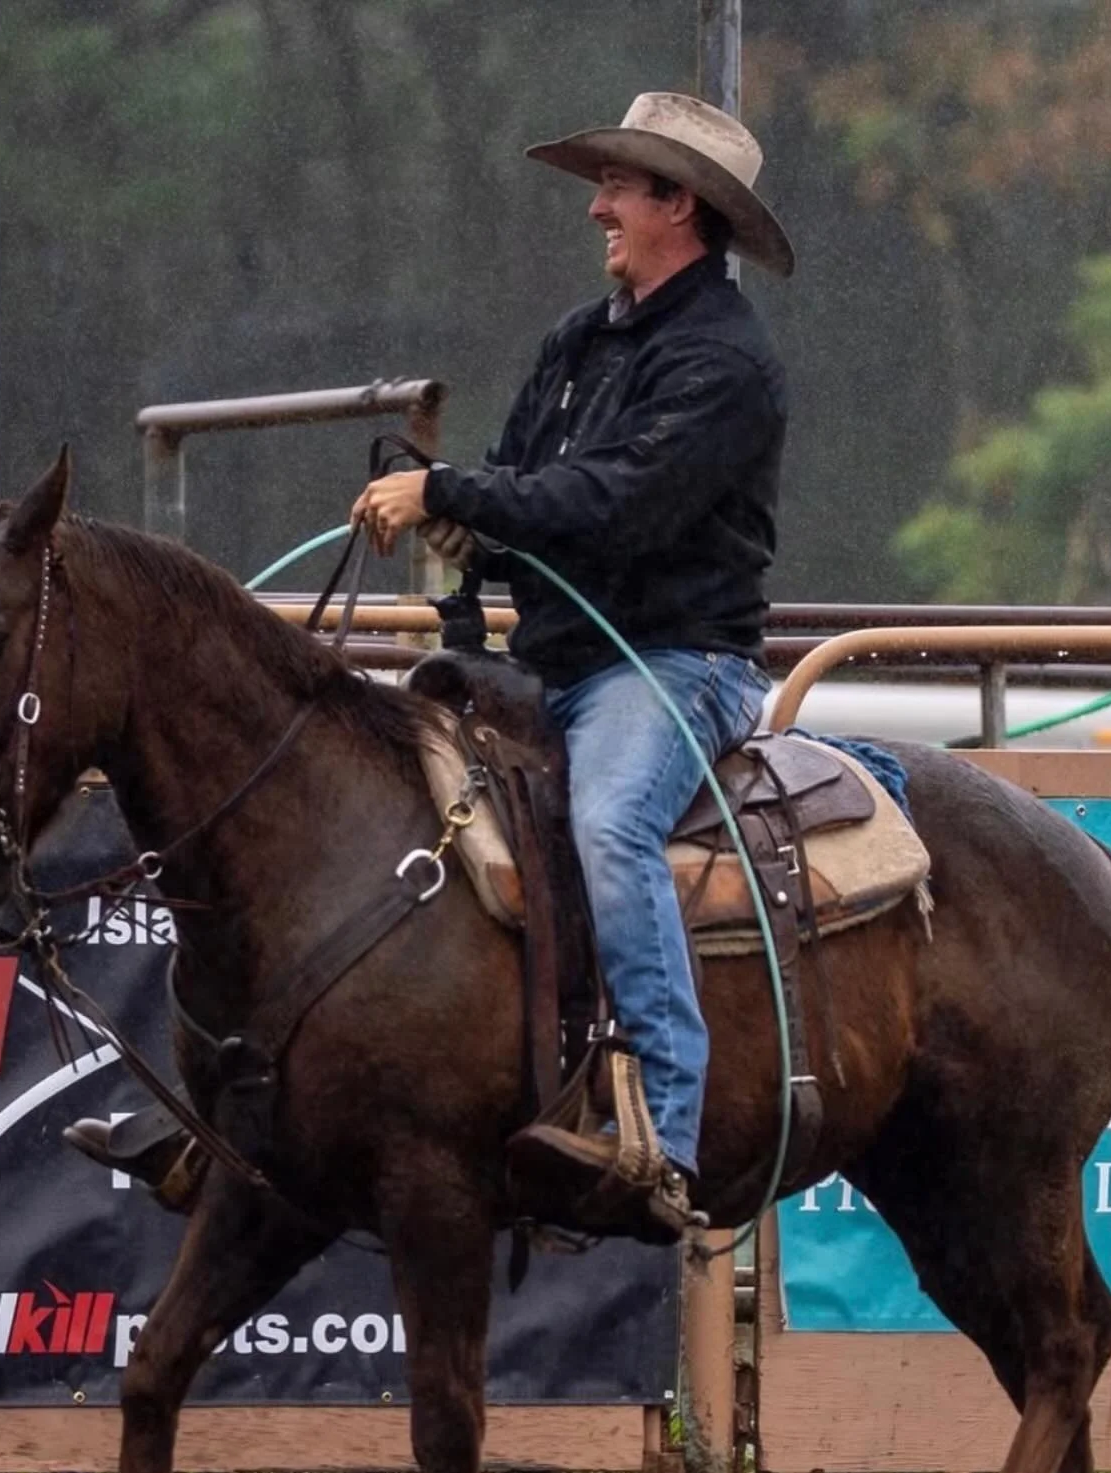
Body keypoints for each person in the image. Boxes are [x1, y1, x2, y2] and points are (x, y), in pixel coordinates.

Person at [352, 92, 794, 1237]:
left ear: (678, 206)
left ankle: (666, 1131)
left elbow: (620, 506)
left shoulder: (729, 366)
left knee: (608, 824)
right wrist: (474, 529)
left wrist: (449, 493)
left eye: (619, 187)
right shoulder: (576, 341)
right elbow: (528, 487)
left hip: (676, 666)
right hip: (553, 665)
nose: (596, 206)